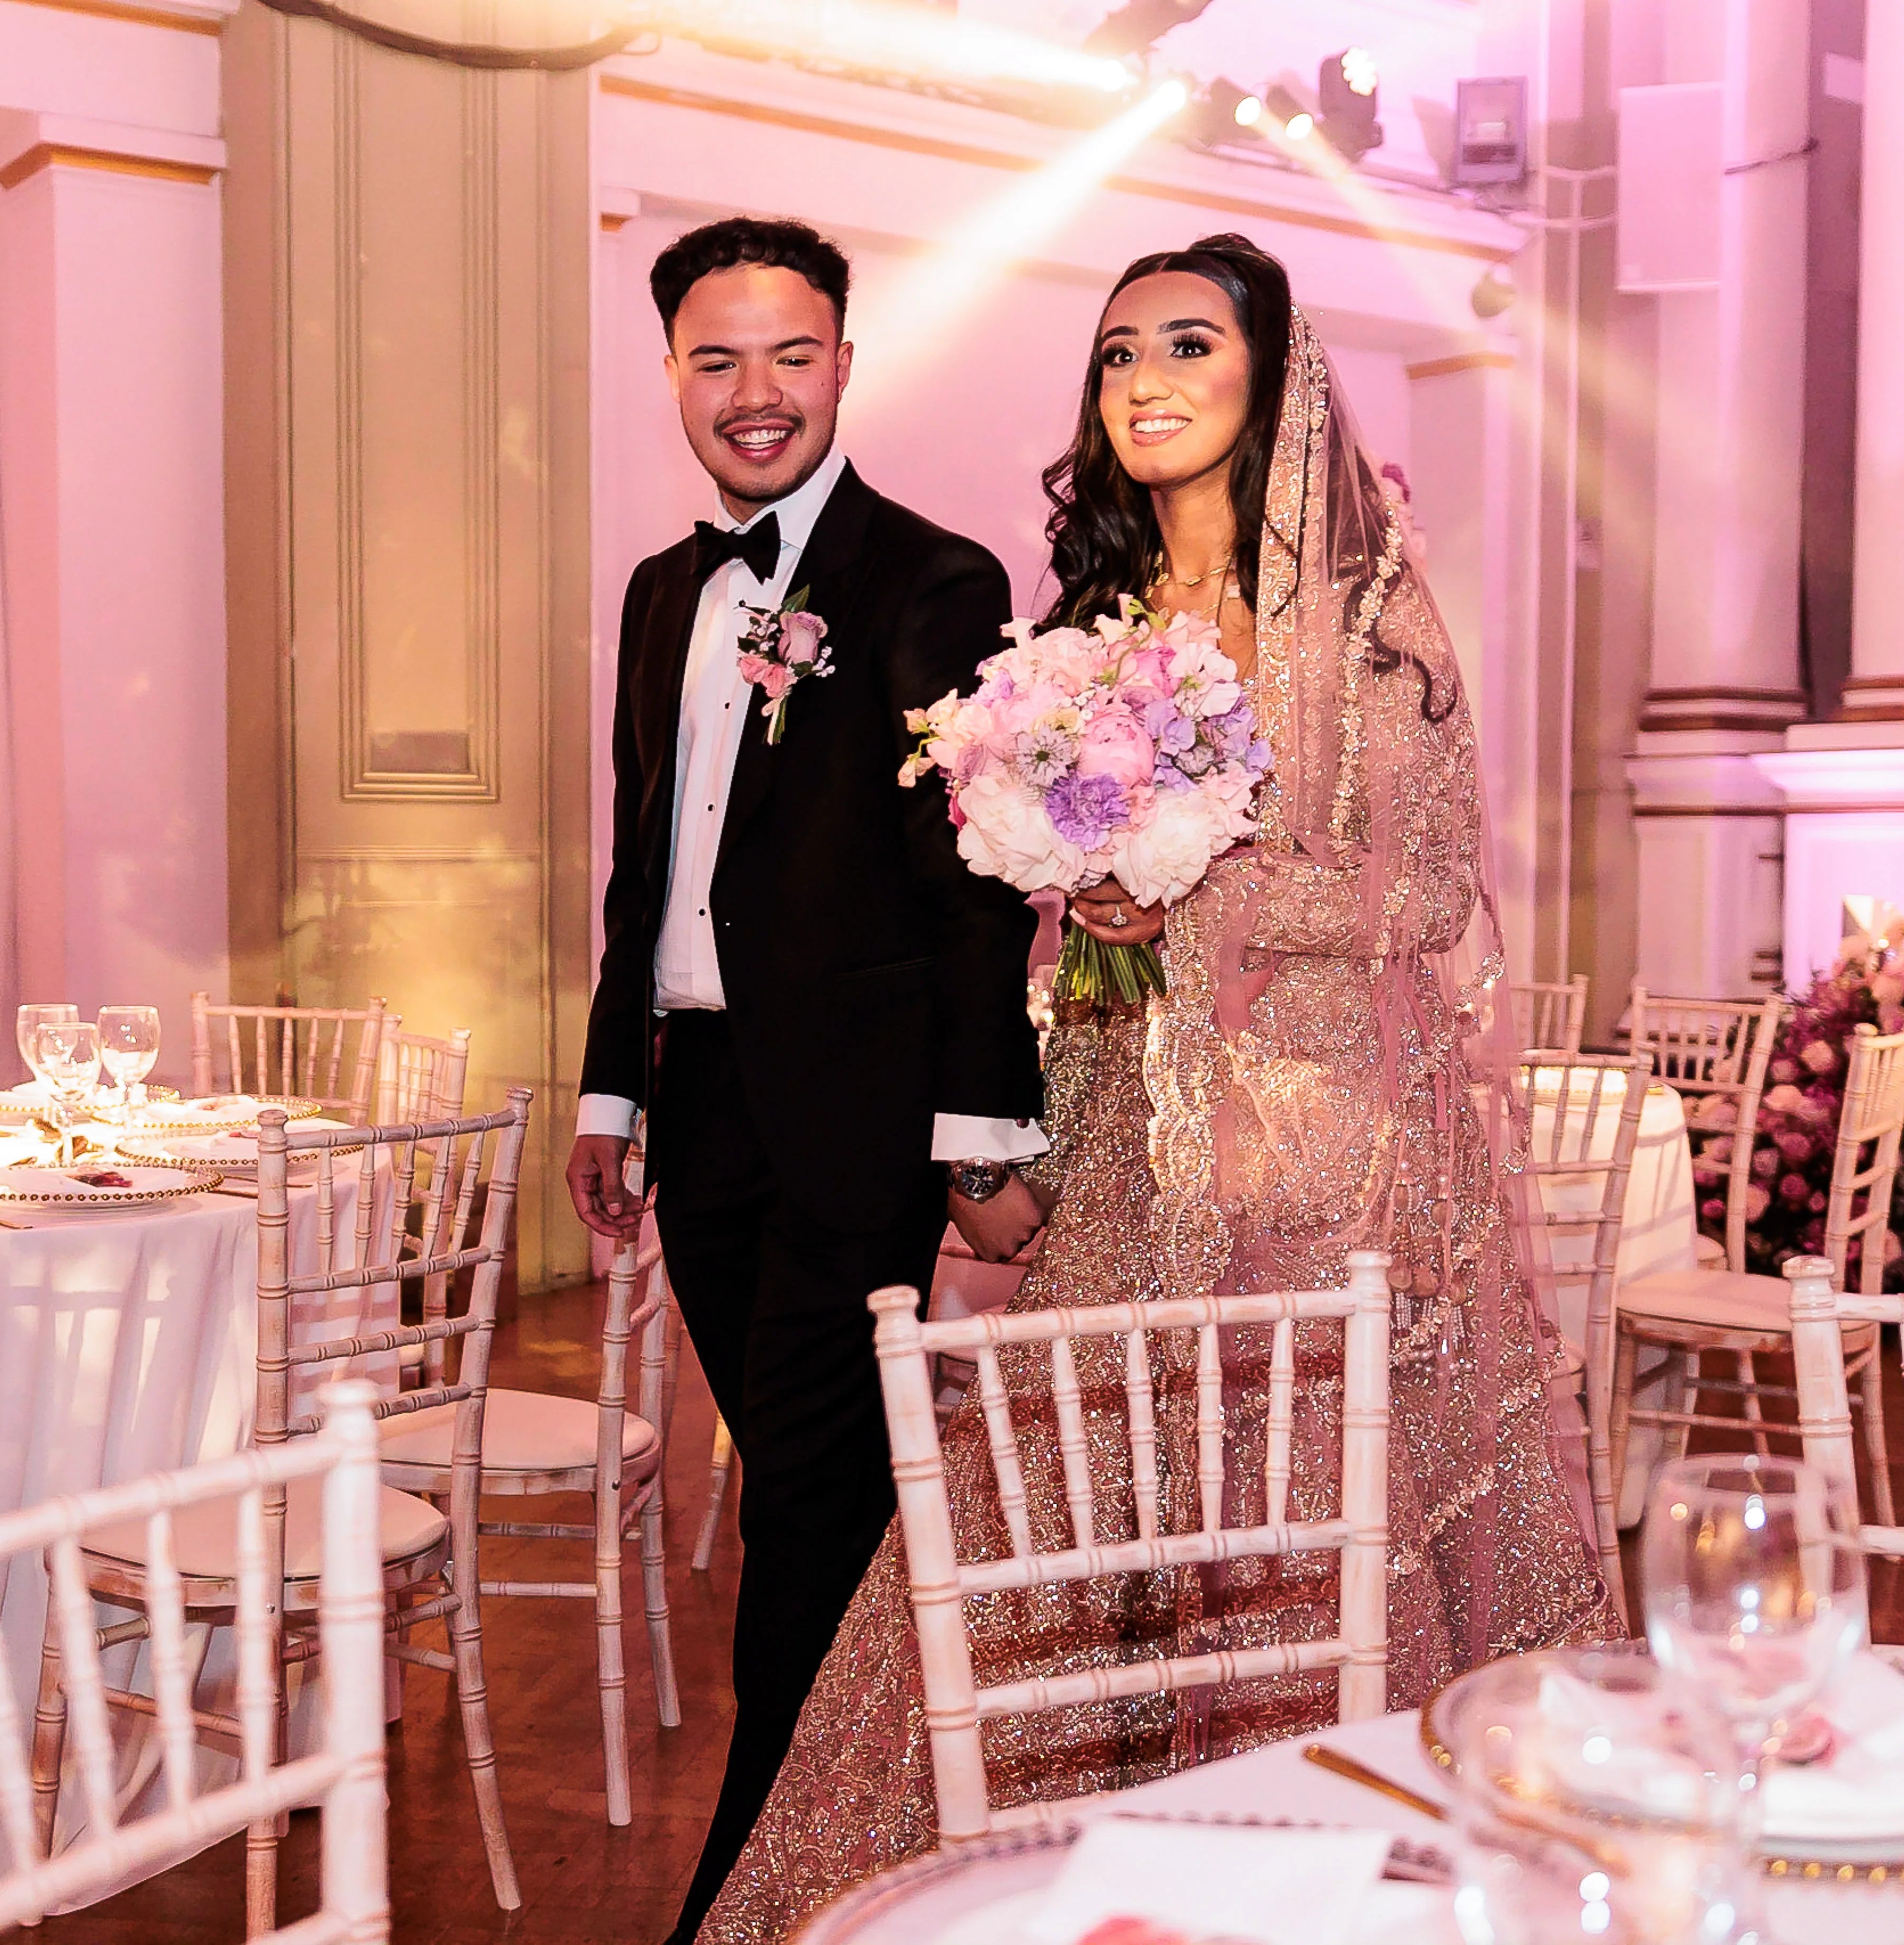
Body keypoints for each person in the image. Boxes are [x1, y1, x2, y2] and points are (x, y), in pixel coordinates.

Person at [691, 234, 1621, 1945]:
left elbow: (1420, 896)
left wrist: (1191, 865)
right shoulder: (1087, 629)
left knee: (1285, 1553)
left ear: (1275, 378)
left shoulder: (1364, 622)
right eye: (1118, 353)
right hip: (1125, 1142)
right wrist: (1079, 895)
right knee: (1078, 1543)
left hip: (1316, 1162)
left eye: (1189, 346)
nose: (1146, 381)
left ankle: (1303, 1896)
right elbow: (1033, 887)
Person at [565, 214, 1050, 1945]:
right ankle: (878, 1840)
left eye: (789, 354)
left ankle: (755, 1888)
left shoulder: (936, 582)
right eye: (715, 358)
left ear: (843, 362)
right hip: (698, 1116)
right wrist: (612, 1091)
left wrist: (983, 1133)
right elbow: (644, 863)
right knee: (799, 1487)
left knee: (811, 1504)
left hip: (854, 1121)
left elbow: (972, 882)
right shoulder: (655, 594)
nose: (753, 393)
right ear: (673, 375)